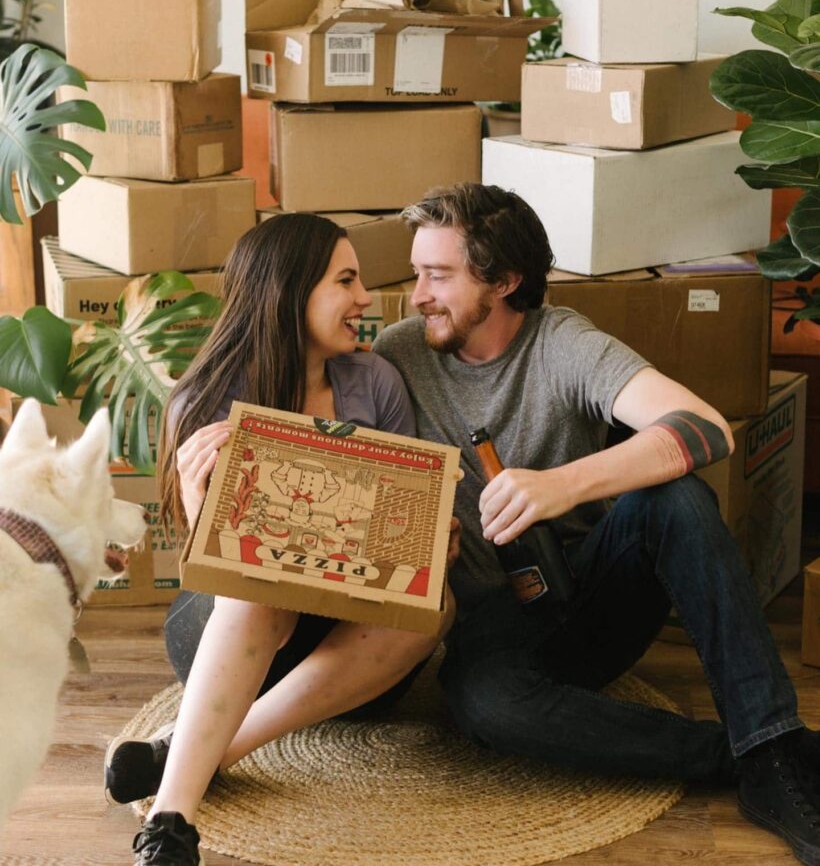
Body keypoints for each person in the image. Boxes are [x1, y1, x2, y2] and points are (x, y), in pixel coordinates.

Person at [372, 182, 820, 866]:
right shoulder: (397, 354)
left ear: (505, 280)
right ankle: (755, 753)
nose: (417, 294)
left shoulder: (563, 342)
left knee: (674, 498)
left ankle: (769, 749)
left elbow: (704, 429)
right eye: (417, 273)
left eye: (438, 275)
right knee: (483, 709)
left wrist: (562, 485)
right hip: (486, 629)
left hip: (587, 598)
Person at [104, 214, 457, 866]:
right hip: (232, 626)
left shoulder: (375, 382)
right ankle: (172, 822)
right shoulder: (205, 397)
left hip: (352, 653)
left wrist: (429, 541)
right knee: (261, 587)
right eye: (345, 280)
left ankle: (193, 748)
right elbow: (203, 566)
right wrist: (193, 497)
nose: (364, 300)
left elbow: (400, 535)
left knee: (439, 605)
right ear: (290, 292)